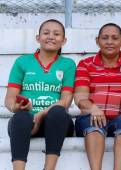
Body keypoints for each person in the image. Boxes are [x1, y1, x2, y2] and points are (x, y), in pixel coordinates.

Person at [4, 19, 76, 170]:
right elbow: (10, 98)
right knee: (21, 117)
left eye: (56, 34)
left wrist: (42, 114)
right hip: (26, 123)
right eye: (46, 33)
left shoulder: (68, 64)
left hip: (55, 123)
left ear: (64, 40)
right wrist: (16, 107)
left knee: (58, 112)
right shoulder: (22, 62)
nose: (51, 36)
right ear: (38, 38)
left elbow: (66, 100)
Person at [74, 23, 121, 170]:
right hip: (92, 117)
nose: (110, 42)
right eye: (105, 38)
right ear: (97, 41)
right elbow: (79, 99)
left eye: (115, 38)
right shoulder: (86, 64)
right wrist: (94, 108)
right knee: (95, 123)